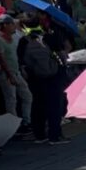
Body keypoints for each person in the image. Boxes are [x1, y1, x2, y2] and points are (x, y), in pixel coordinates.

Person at [20, 14, 68, 145]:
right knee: (54, 106)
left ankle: (40, 135)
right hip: (52, 76)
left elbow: (22, 62)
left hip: (34, 78)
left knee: (38, 106)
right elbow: (62, 55)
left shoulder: (23, 41)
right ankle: (55, 136)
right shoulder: (48, 37)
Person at [0, 15, 33, 135]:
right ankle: (14, 127)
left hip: (16, 71)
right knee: (11, 100)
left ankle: (26, 122)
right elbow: (1, 59)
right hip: (6, 74)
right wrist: (10, 76)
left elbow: (15, 56)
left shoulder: (13, 37)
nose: (13, 26)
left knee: (27, 96)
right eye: (11, 24)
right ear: (4, 25)